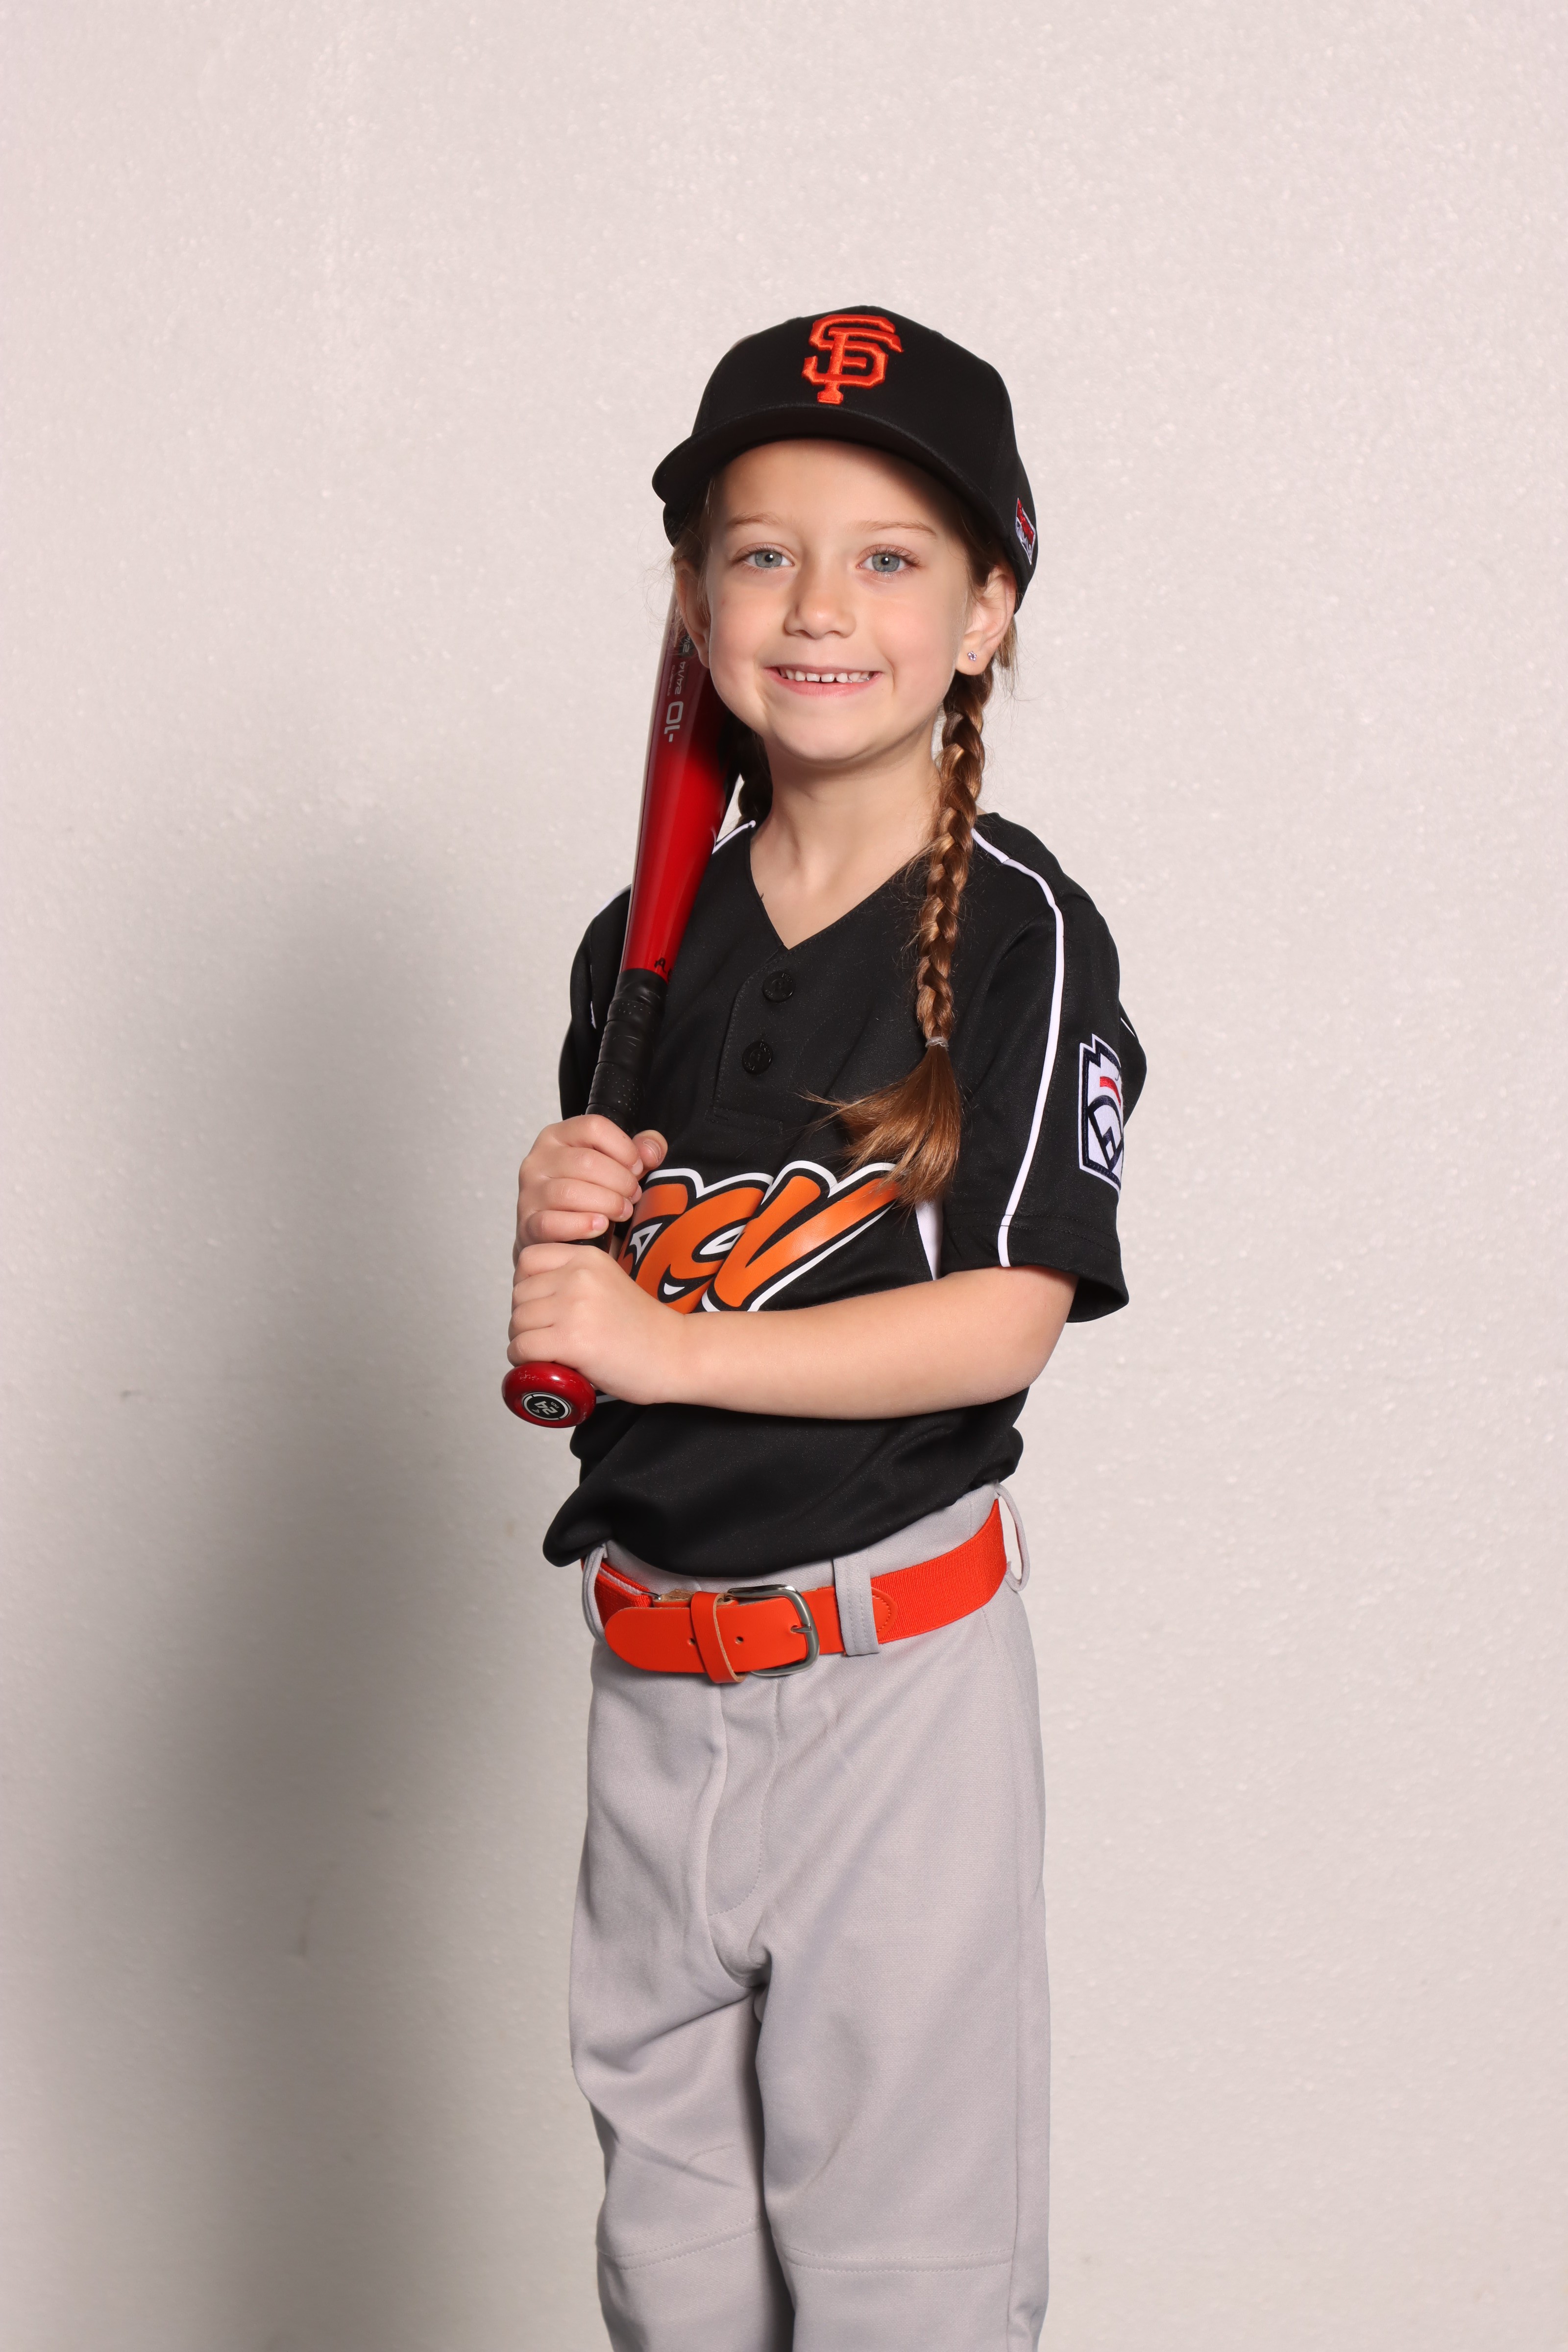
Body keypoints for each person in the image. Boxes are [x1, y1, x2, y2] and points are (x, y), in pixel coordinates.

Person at [509, 308, 1146, 2352]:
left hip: (888, 1691)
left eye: (888, 558)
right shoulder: (638, 947)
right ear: (693, 604)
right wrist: (566, 1225)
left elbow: (1001, 1326)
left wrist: (658, 1344)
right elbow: (634, 1310)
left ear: (985, 615)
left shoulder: (1023, 934)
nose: (817, 606)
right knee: (672, 2288)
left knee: (899, 2295)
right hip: (649, 1683)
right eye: (762, 552)